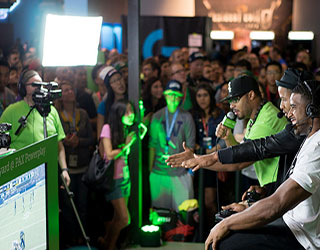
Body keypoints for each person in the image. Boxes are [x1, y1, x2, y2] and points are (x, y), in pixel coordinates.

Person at [166, 68, 314, 206]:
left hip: (285, 196)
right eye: (230, 101)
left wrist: (200, 159)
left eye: (235, 99)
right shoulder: (256, 116)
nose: (231, 106)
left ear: (251, 95)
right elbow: (239, 151)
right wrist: (227, 137)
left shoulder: (266, 120)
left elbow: (238, 162)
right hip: (274, 189)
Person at [203, 80, 320, 250]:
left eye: (294, 106)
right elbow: (285, 191)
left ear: (311, 111)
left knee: (224, 243)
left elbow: (278, 204)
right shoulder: (307, 139)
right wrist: (250, 204)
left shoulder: (316, 147)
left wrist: (227, 223)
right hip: (291, 223)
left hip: (303, 237)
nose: (287, 112)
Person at [0, 70, 70, 185]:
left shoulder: (51, 111)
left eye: (41, 85)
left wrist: (64, 170)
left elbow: (59, 145)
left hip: (48, 173)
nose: (38, 88)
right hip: (20, 177)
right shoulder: (11, 111)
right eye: (34, 85)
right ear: (23, 88)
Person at [55, 81, 94, 246]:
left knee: (83, 206)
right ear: (60, 95)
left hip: (83, 166)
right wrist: (65, 141)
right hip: (67, 169)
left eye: (71, 89)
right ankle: (71, 239)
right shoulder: (56, 114)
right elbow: (54, 140)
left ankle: (82, 238)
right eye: (64, 90)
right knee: (68, 207)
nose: (68, 92)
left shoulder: (83, 114)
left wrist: (79, 141)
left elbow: (92, 139)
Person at [149, 79, 195, 212]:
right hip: (159, 173)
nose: (173, 98)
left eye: (176, 95)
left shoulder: (187, 117)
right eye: (170, 94)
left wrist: (189, 173)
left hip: (180, 173)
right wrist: (150, 172)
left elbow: (191, 147)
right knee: (160, 214)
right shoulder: (157, 116)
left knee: (184, 214)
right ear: (165, 95)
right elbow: (152, 145)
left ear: (181, 97)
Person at [98, 100, 138, 250]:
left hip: (124, 177)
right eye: (126, 112)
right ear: (118, 114)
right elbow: (109, 154)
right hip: (113, 179)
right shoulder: (108, 128)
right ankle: (108, 244)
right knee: (124, 219)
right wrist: (127, 144)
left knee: (118, 217)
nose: (130, 115)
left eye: (132, 111)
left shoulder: (126, 129)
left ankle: (108, 243)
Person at [192, 83, 225, 230]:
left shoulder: (219, 114)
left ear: (211, 97)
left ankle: (213, 231)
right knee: (198, 200)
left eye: (205, 95)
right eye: (199, 96)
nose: (202, 99)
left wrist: (211, 151)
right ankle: (201, 232)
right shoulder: (193, 115)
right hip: (196, 161)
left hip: (214, 160)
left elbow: (224, 139)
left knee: (210, 202)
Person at [96, 66, 127, 140]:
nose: (119, 83)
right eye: (114, 81)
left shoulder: (132, 99)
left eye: (119, 78)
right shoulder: (104, 105)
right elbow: (100, 136)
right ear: (109, 86)